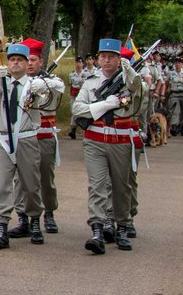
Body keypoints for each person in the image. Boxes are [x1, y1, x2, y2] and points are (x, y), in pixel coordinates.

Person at [72, 38, 145, 253]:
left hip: (120, 140)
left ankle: (122, 227)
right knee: (97, 185)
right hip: (95, 140)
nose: (106, 61)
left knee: (122, 187)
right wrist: (103, 105)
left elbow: (137, 88)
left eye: (111, 57)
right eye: (103, 56)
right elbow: (78, 108)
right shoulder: (90, 82)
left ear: (119, 59)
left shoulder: (129, 80)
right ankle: (97, 229)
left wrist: (129, 71)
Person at [0, 43, 46, 248]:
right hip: (3, 140)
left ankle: (34, 220)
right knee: (2, 184)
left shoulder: (35, 84)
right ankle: (1, 226)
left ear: (28, 63)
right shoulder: (3, 82)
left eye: (19, 60)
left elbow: (47, 99)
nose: (15, 63)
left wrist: (43, 88)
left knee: (30, 184)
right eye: (12, 60)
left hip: (26, 138)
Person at [14, 39, 66, 235]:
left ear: (41, 62)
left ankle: (49, 212)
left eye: (33, 60)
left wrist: (41, 83)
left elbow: (59, 87)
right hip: (24, 136)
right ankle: (23, 216)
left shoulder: (49, 80)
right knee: (22, 179)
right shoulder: (17, 82)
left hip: (43, 136)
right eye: (27, 60)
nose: (29, 64)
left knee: (45, 176)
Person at [167, 58, 183, 136]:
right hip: (174, 93)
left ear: (182, 65)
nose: (177, 64)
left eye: (179, 63)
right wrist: (164, 94)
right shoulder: (170, 73)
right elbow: (167, 83)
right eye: (176, 63)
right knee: (175, 110)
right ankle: (174, 126)